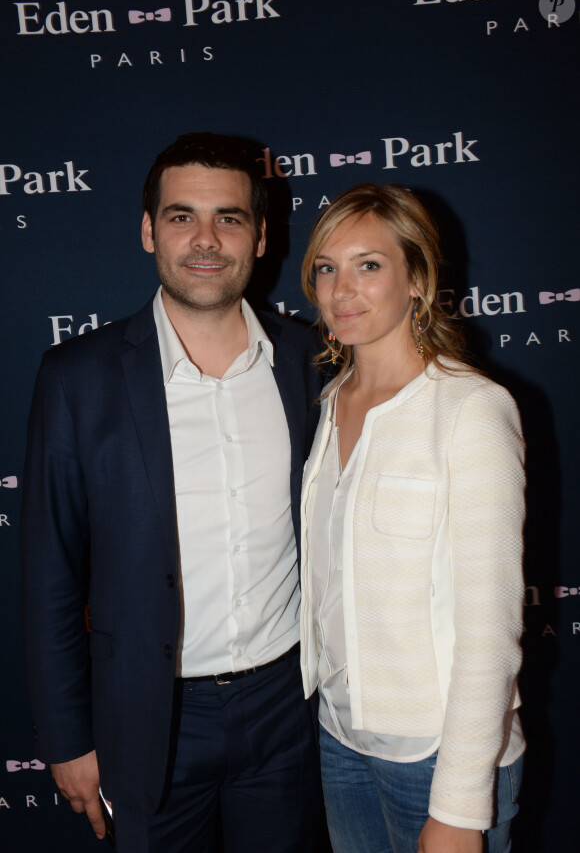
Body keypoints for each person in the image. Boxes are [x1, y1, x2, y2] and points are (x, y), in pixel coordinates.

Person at [21, 132, 325, 853]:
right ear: (149, 229)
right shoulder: (78, 378)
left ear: (259, 236)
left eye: (230, 217)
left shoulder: (312, 364)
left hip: (290, 707)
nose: (206, 239)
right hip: (150, 717)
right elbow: (49, 575)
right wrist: (66, 738)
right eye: (183, 216)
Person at [298, 183, 525, 853]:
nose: (343, 289)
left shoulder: (470, 409)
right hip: (340, 738)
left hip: (436, 755)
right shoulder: (333, 401)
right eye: (326, 267)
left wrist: (458, 804)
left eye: (369, 265)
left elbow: (491, 626)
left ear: (417, 279)